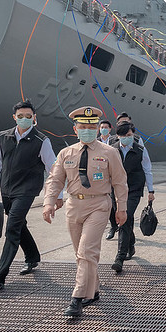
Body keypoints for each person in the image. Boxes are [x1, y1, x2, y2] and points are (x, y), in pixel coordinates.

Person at [42, 106, 128, 317]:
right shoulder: (65, 153)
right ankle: (94, 290)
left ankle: (77, 298)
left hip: (99, 205)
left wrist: (122, 208)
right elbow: (55, 180)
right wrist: (49, 202)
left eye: (91, 126)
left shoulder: (110, 152)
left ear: (98, 129)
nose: (87, 130)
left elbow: (120, 182)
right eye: (83, 126)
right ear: (75, 129)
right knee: (81, 254)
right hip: (73, 205)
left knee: (86, 251)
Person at [0, 100, 58, 291]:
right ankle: (33, 256)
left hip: (27, 190)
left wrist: (57, 194)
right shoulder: (3, 137)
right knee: (19, 225)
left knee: (12, 229)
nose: (25, 119)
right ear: (14, 117)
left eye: (29, 116)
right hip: (7, 189)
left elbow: (54, 169)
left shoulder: (42, 141)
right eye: (21, 116)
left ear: (34, 118)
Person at [110, 123, 154, 273]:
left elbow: (147, 170)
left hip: (134, 189)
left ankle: (119, 258)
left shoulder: (140, 150)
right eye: (123, 136)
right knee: (124, 219)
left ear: (133, 135)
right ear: (118, 136)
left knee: (125, 216)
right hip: (116, 190)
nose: (126, 138)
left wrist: (151, 190)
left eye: (129, 135)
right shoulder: (111, 149)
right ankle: (131, 244)